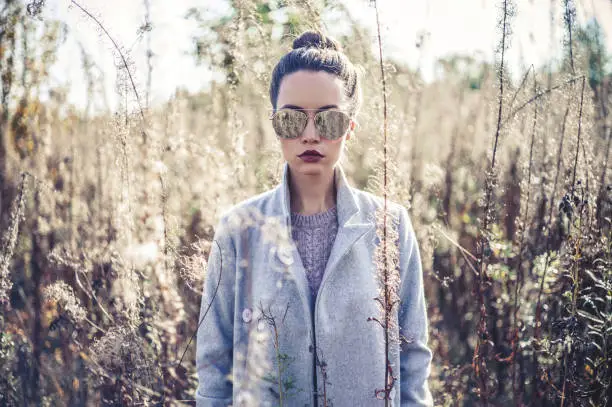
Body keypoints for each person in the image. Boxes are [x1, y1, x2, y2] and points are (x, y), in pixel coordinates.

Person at [196, 30, 433, 407]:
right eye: (292, 120)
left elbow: (413, 360)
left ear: (350, 128)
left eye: (329, 120)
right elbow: (213, 363)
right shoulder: (238, 229)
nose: (309, 135)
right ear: (275, 124)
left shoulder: (391, 226)